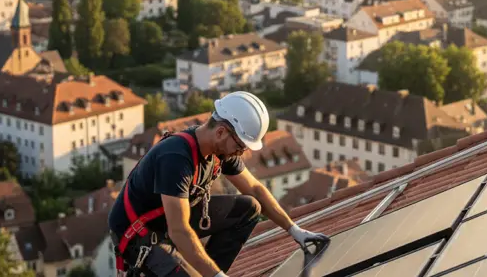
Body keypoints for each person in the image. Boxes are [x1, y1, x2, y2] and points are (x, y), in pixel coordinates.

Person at [109, 91, 330, 277]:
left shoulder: (220, 149)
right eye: (241, 146)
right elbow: (180, 231)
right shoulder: (176, 158)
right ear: (221, 131)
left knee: (250, 208)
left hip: (170, 221)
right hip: (143, 235)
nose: (242, 152)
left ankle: (207, 269)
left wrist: (294, 230)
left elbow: (254, 189)